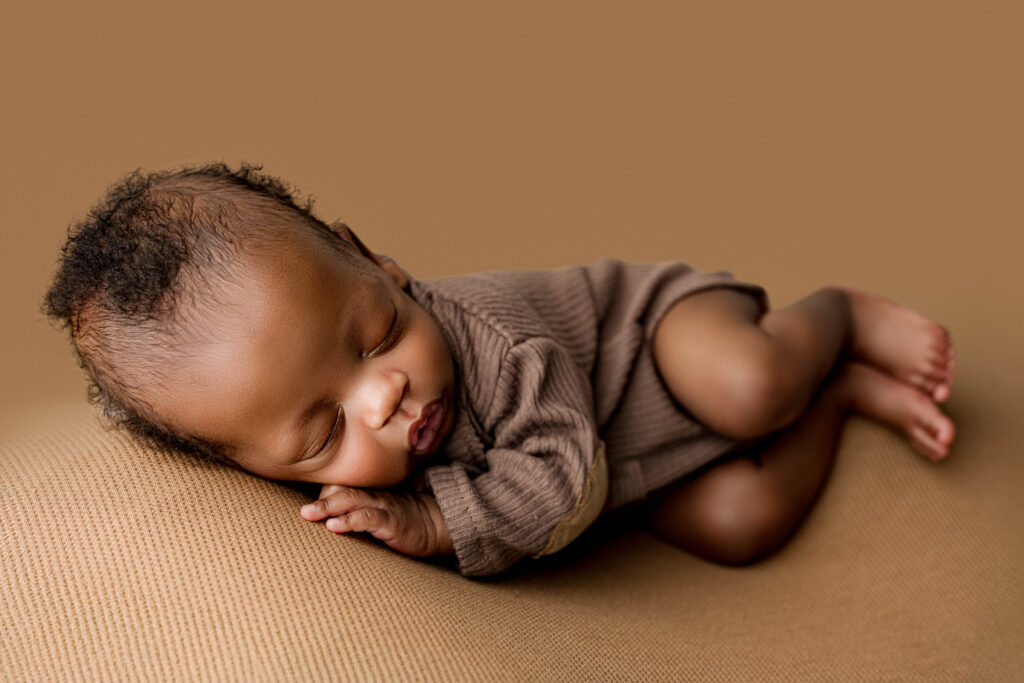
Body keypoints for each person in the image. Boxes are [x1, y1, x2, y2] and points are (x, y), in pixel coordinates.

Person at [43, 163, 956, 578]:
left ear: (379, 262)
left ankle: (837, 315)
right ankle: (838, 395)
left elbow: (564, 480)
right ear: (255, 468)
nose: (386, 395)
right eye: (326, 432)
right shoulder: (320, 434)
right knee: (740, 524)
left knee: (750, 388)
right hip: (636, 465)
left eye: (375, 333)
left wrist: (432, 520)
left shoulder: (495, 339)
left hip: (655, 338)